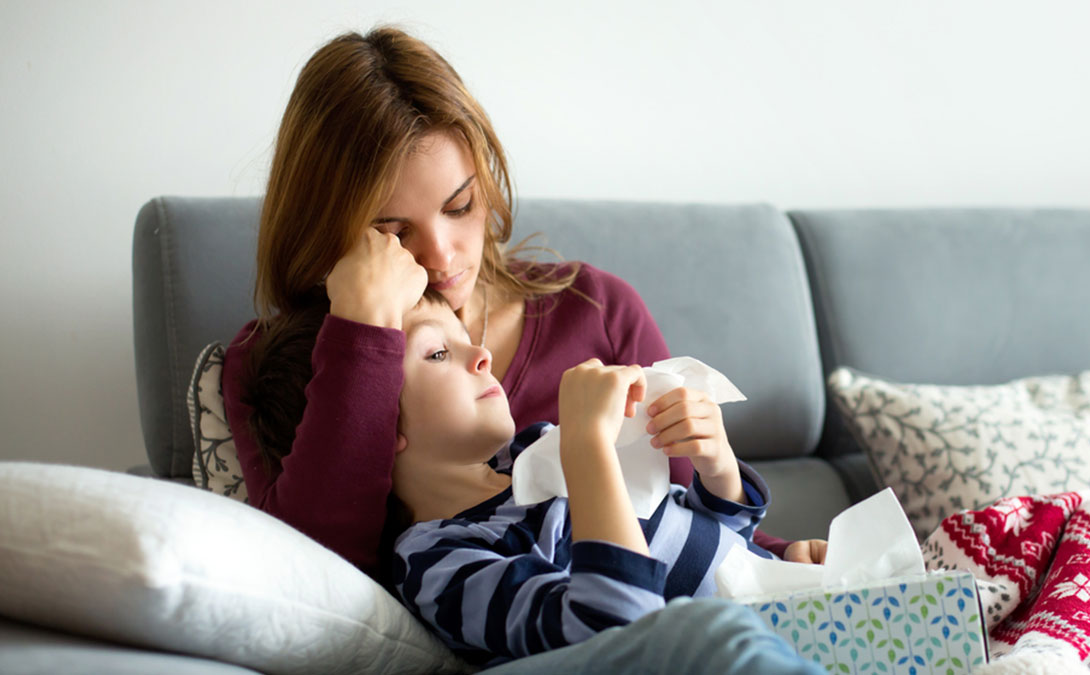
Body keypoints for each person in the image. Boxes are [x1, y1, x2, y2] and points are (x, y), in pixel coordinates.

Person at [221, 24, 824, 587]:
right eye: (393, 230)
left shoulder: (597, 309)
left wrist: (778, 557)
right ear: (331, 227)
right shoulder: (278, 366)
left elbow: (675, 520)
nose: (441, 255)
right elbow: (318, 575)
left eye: (459, 206)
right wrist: (361, 327)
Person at [389, 291, 824, 670]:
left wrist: (718, 468)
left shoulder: (534, 451)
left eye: (467, 338)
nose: (482, 353)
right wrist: (587, 444)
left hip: (789, 613)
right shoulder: (434, 560)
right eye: (437, 353)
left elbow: (704, 538)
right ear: (380, 422)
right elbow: (623, 631)